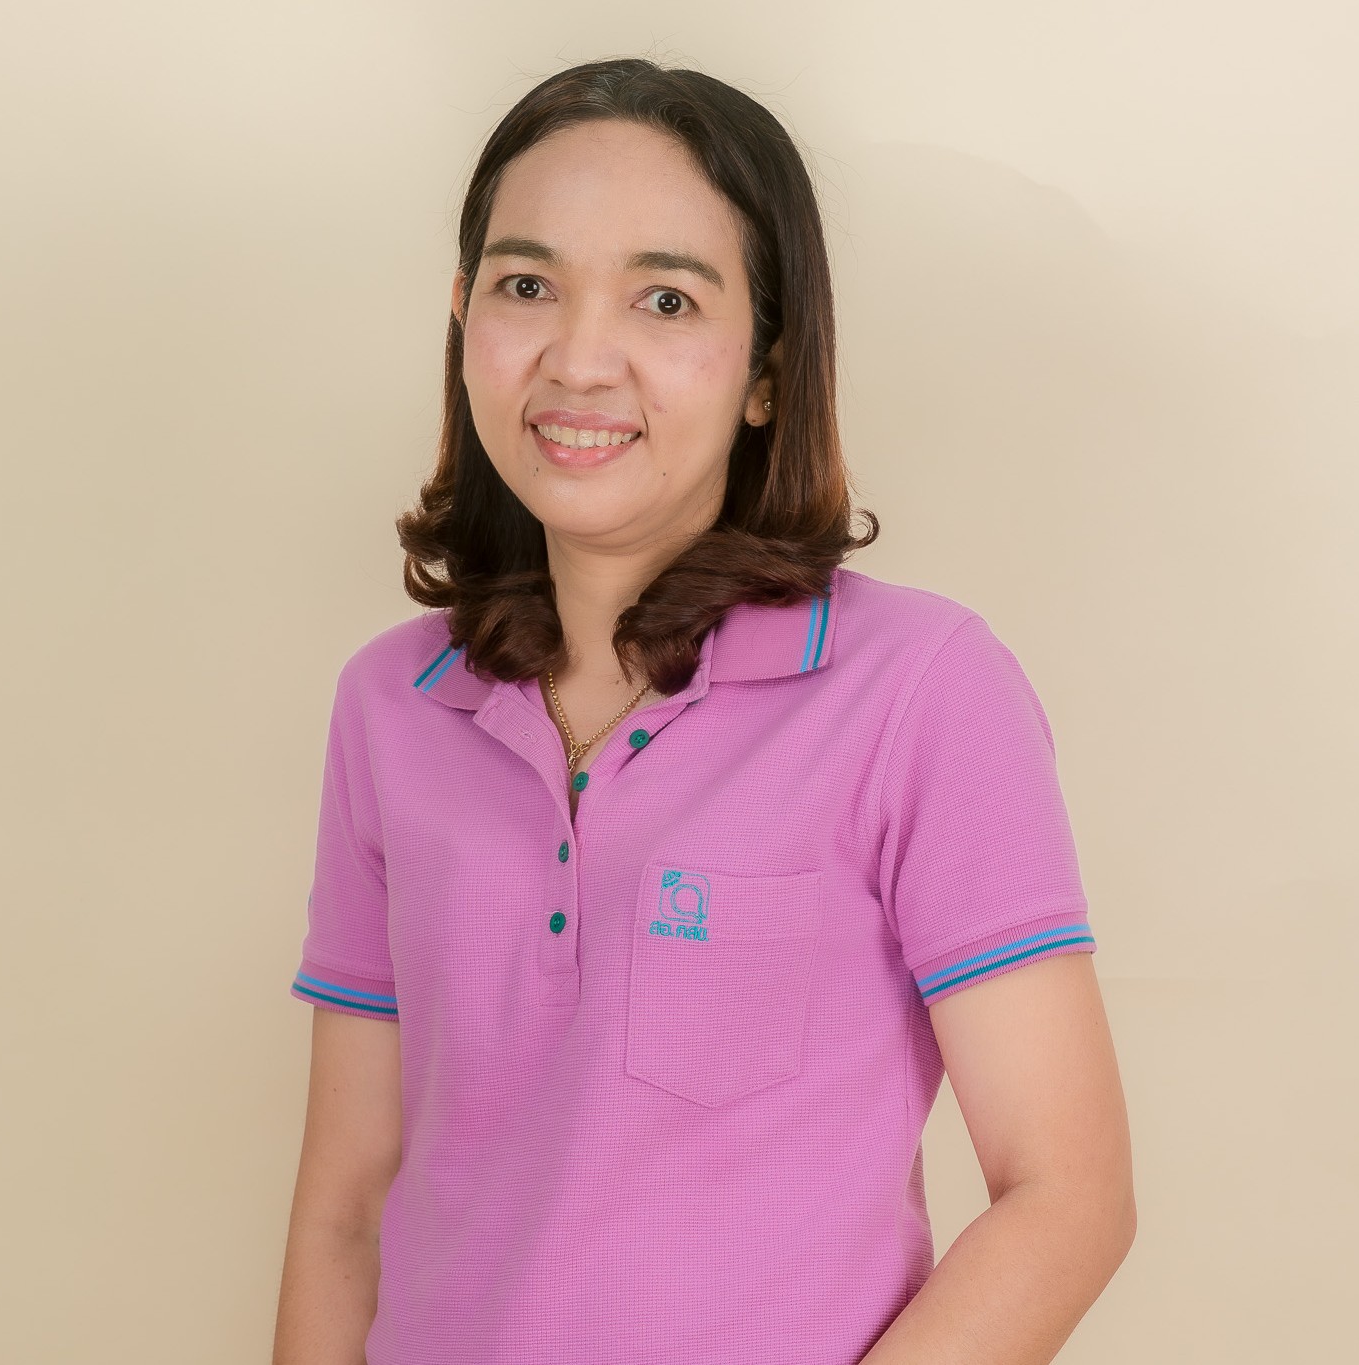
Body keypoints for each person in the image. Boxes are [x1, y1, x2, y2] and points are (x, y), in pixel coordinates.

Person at [272, 57, 1135, 1365]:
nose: (579, 359)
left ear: (766, 371)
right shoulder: (391, 705)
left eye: (665, 299)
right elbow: (345, 1207)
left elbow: (1066, 1196)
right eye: (525, 285)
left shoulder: (916, 688)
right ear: (462, 317)